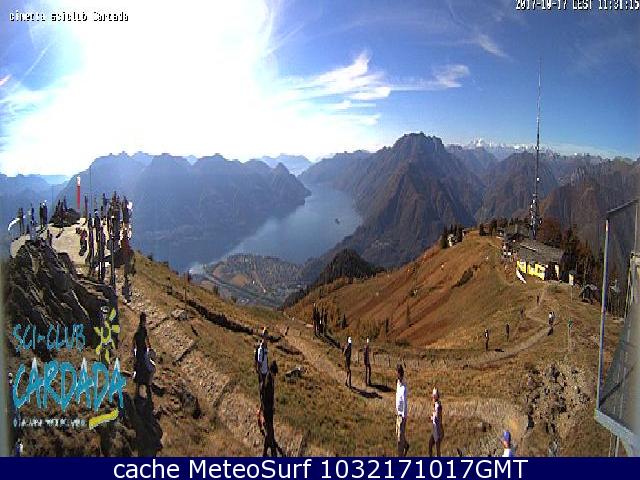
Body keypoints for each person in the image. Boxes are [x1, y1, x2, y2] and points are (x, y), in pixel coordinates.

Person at [262, 360, 284, 456]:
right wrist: (269, 408)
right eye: (275, 373)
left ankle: (268, 448)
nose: (275, 376)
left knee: (270, 430)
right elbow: (266, 398)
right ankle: (268, 451)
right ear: (272, 371)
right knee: (270, 431)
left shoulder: (270, 379)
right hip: (267, 410)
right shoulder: (268, 382)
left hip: (269, 409)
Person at [133, 312, 152, 401]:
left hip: (141, 351)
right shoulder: (141, 331)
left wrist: (149, 347)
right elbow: (144, 340)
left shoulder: (140, 330)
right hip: (141, 351)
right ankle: (142, 380)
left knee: (141, 365)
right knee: (142, 365)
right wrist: (149, 347)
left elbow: (146, 339)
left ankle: (140, 380)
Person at [395, 364, 409, 456]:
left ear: (400, 374)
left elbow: (404, 402)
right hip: (397, 414)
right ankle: (406, 445)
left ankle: (400, 457)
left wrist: (404, 417)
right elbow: (397, 397)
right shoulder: (398, 384)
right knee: (398, 434)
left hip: (402, 416)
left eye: (398, 373)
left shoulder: (404, 387)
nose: (396, 375)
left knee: (400, 439)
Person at [428, 388, 444, 457]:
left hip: (438, 430)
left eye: (434, 396)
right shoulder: (436, 405)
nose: (433, 397)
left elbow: (437, 417)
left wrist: (432, 418)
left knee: (437, 448)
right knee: (430, 445)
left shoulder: (438, 406)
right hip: (435, 429)